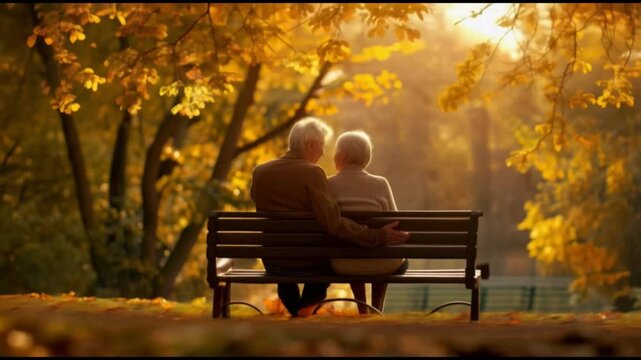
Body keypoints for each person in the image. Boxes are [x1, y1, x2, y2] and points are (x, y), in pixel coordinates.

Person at [250, 117, 409, 317]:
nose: (323, 153)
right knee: (323, 266)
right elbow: (333, 223)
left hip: (274, 261)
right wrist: (377, 236)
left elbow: (258, 201)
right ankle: (302, 313)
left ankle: (298, 313)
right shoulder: (313, 173)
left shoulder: (260, 172)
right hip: (309, 263)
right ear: (310, 144)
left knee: (291, 269)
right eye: (321, 146)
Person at [327, 130, 408, 313]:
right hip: (385, 263)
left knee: (353, 250)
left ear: (342, 155)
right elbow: (395, 221)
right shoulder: (380, 183)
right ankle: (377, 308)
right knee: (381, 252)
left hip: (344, 263)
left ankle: (362, 308)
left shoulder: (328, 184)